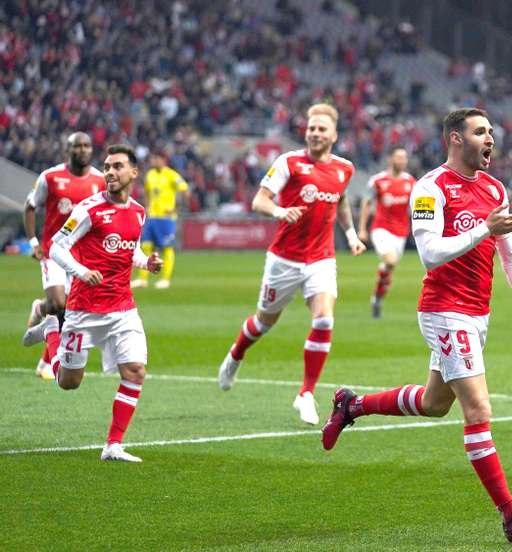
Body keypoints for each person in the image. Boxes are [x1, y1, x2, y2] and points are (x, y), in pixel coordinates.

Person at [321, 108, 512, 543]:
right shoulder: (430, 188)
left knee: (434, 404)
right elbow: (430, 253)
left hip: (477, 314)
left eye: (491, 132)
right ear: (454, 139)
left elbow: (511, 256)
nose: (490, 139)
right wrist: (484, 229)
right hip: (444, 309)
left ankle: (351, 406)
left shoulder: (494, 188)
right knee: (478, 409)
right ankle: (511, 514)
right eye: (480, 132)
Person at [217, 103, 366, 426]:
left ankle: (306, 394)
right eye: (311, 128)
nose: (314, 133)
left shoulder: (345, 169)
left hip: (321, 259)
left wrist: (352, 235)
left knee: (324, 320)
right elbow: (259, 200)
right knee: (263, 323)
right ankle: (235, 355)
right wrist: (279, 212)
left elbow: (341, 204)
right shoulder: (289, 162)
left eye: (321, 129)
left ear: (334, 135)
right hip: (284, 259)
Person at [42, 143, 162, 462]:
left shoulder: (138, 211)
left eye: (117, 166)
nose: (109, 172)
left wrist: (145, 263)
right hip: (84, 310)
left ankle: (113, 445)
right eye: (107, 167)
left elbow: (128, 250)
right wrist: (82, 271)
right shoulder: (88, 209)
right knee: (69, 382)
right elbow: (56, 248)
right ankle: (51, 330)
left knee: (135, 371)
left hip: (123, 308)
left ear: (133, 173)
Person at [21, 132, 105, 380]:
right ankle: (42, 309)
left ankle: (45, 361)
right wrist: (33, 241)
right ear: (67, 150)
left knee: (70, 311)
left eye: (86, 146)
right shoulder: (50, 177)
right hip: (53, 251)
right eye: (77, 146)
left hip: (82, 255)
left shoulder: (100, 180)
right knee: (58, 304)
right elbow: (30, 206)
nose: (82, 150)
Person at [357, 146, 416, 318]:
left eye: (404, 158)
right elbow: (367, 202)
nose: (402, 161)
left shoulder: (411, 182)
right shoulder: (378, 180)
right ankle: (378, 292)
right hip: (381, 229)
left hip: (401, 232)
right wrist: (362, 229)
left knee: (388, 267)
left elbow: (417, 207)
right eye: (398, 157)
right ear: (390, 159)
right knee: (390, 261)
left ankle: (377, 299)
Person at [131, 153, 190, 289]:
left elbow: (185, 190)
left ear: (163, 160)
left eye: (156, 158)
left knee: (167, 247)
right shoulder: (150, 175)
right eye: (153, 158)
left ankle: (165, 279)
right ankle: (143, 279)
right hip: (152, 216)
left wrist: (177, 208)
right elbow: (146, 192)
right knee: (145, 246)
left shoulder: (171, 175)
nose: (153, 160)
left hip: (166, 218)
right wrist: (146, 206)